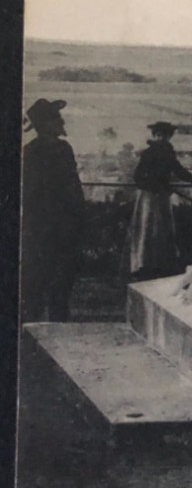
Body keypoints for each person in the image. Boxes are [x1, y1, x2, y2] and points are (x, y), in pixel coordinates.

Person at [21, 98, 86, 321]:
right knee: (45, 282)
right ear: (45, 123)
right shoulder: (41, 152)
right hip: (49, 226)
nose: (61, 121)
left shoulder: (33, 151)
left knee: (55, 282)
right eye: (56, 117)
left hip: (51, 226)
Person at [129, 121, 192, 281]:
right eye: (159, 135)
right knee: (147, 227)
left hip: (162, 197)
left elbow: (179, 171)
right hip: (149, 197)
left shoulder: (168, 153)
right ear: (155, 136)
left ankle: (159, 263)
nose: (162, 138)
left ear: (169, 137)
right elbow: (138, 177)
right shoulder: (148, 153)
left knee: (162, 228)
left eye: (165, 135)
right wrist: (155, 186)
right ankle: (143, 264)